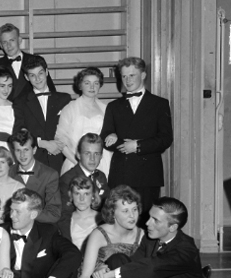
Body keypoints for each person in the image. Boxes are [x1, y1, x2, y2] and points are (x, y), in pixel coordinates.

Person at [101, 57, 173, 224]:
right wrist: (115, 139)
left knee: (145, 220)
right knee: (120, 220)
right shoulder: (113, 106)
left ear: (143, 75)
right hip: (121, 172)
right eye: (124, 76)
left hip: (148, 174)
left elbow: (165, 139)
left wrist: (138, 146)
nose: (127, 80)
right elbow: (105, 137)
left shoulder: (160, 104)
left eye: (132, 75)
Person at [0, 189, 81, 278]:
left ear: (33, 214)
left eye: (17, 212)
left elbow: (73, 254)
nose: (11, 215)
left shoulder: (48, 232)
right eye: (11, 210)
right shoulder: (0, 232)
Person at [11, 55, 71, 172]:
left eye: (40, 73)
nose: (37, 79)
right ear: (26, 77)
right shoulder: (20, 102)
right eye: (32, 75)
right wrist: (43, 143)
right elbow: (19, 132)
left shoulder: (64, 99)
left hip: (62, 157)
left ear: (47, 72)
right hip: (35, 159)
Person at [56, 67, 112, 176]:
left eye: (96, 83)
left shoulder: (106, 109)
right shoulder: (70, 108)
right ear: (80, 85)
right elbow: (60, 139)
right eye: (87, 83)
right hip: (75, 161)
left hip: (102, 162)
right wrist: (79, 164)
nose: (92, 87)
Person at [0, 23, 55, 101]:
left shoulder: (36, 61)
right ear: (0, 45)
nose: (9, 45)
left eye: (12, 40)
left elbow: (50, 90)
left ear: (19, 40)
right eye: (4, 42)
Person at [8, 128, 62, 224]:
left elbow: (54, 213)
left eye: (26, 150)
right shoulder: (8, 173)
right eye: (18, 150)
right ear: (13, 151)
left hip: (38, 226)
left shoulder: (50, 175)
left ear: (34, 150)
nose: (22, 155)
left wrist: (27, 214)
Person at [58, 133, 110, 222]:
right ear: (78, 155)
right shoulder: (67, 180)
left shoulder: (101, 176)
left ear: (101, 156)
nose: (92, 158)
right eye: (87, 153)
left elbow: (108, 206)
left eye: (96, 154)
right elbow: (65, 217)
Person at [57, 176, 99, 250]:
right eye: (77, 193)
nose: (81, 199)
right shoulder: (64, 221)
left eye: (86, 194)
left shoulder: (103, 219)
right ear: (71, 195)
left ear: (93, 195)